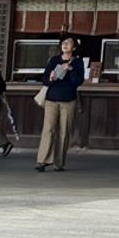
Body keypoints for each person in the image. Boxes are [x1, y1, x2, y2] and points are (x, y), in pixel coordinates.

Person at [36, 34, 85, 172]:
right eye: (63, 42)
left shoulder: (77, 63)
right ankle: (42, 160)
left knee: (64, 131)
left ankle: (59, 162)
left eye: (69, 43)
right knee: (48, 129)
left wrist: (71, 70)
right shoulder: (54, 60)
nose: (65, 45)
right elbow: (44, 79)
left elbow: (78, 81)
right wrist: (51, 78)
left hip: (68, 100)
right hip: (51, 98)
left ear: (74, 47)